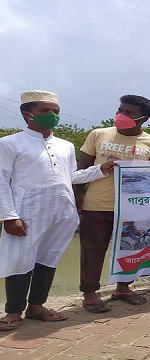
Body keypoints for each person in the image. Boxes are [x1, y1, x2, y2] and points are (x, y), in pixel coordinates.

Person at [0, 91, 114, 331]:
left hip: (62, 212)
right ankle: (13, 310)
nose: (53, 115)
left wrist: (100, 169)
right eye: (45, 111)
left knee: (48, 259)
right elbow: (1, 180)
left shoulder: (65, 145)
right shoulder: (10, 143)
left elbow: (71, 176)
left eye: (56, 111)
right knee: (20, 260)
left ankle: (37, 306)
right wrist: (9, 216)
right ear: (27, 114)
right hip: (27, 212)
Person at [76, 95, 150, 312]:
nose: (121, 115)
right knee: (92, 250)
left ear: (143, 118)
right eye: (121, 110)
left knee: (130, 249)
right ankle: (90, 292)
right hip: (96, 205)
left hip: (132, 208)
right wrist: (77, 198)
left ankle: (123, 287)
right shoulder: (98, 134)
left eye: (129, 113)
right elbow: (81, 170)